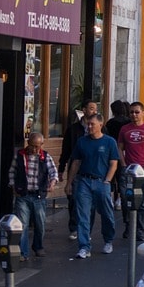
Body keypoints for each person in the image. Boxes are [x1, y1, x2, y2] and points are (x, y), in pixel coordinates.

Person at [67, 114, 120, 259]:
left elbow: (113, 164)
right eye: (88, 124)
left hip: (101, 181)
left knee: (106, 213)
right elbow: (76, 162)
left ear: (100, 125)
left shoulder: (109, 142)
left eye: (92, 124)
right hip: (84, 181)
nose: (89, 127)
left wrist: (107, 181)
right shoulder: (82, 142)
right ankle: (84, 246)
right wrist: (69, 183)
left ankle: (108, 240)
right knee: (82, 214)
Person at [7, 132, 58, 259]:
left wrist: (52, 183)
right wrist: (13, 186)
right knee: (22, 224)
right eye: (32, 145)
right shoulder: (19, 156)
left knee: (40, 224)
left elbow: (53, 172)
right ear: (28, 143)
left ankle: (38, 246)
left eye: (37, 146)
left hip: (38, 195)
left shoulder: (45, 157)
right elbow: (12, 171)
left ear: (41, 145)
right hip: (23, 194)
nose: (34, 149)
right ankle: (23, 252)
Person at [118, 102, 144, 242]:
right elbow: (120, 147)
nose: (134, 115)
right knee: (125, 199)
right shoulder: (124, 129)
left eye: (136, 112)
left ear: (143, 113)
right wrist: (123, 164)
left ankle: (139, 230)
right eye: (131, 112)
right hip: (128, 169)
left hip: (143, 170)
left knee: (142, 201)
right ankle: (128, 226)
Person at [60, 100, 96, 242]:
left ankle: (87, 229)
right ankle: (74, 227)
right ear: (84, 110)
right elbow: (66, 150)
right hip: (76, 170)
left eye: (95, 109)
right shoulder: (73, 129)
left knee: (91, 203)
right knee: (74, 199)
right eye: (91, 108)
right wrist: (61, 169)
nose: (94, 111)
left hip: (93, 170)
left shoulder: (101, 129)